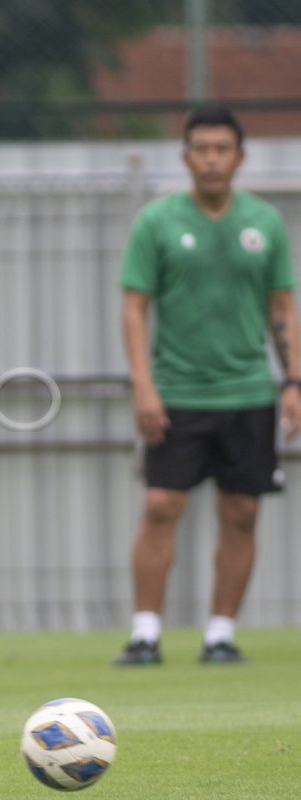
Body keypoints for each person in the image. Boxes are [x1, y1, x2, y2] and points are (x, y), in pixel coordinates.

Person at [113, 106, 301, 666]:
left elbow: (281, 306)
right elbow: (133, 309)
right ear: (186, 156)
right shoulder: (157, 222)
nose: (212, 159)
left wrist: (292, 380)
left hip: (247, 391)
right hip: (178, 392)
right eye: (202, 148)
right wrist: (143, 385)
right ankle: (146, 633)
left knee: (242, 511)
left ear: (239, 157)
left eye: (222, 148)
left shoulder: (264, 224)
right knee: (161, 504)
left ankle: (220, 634)